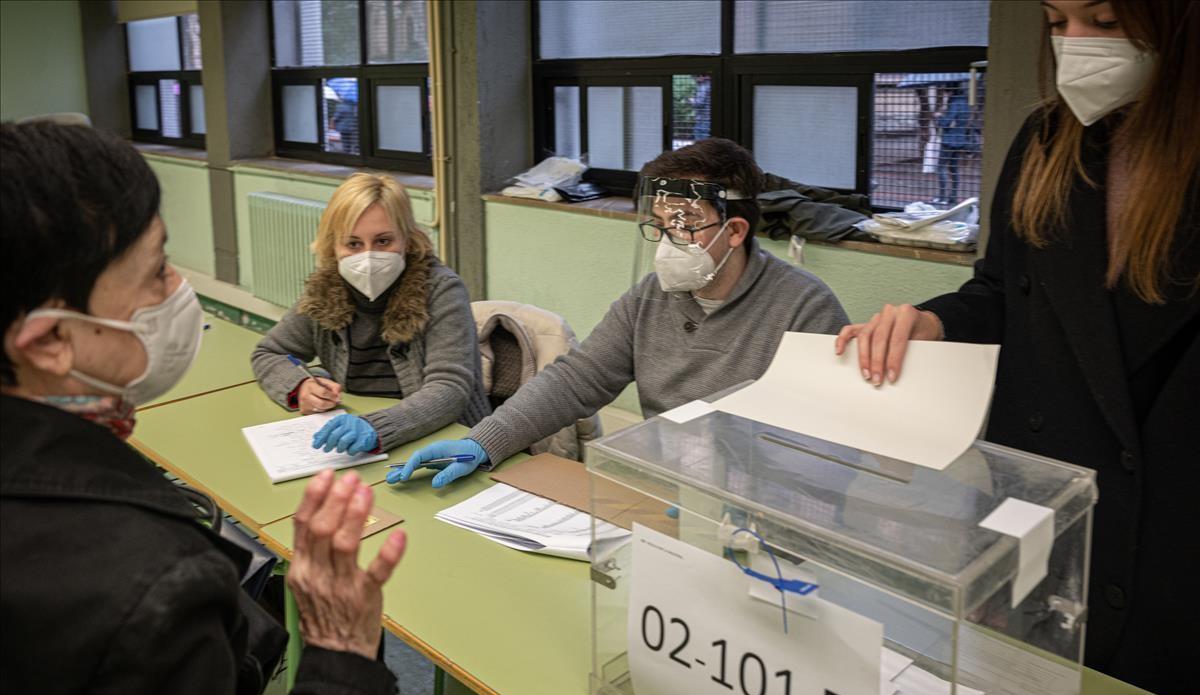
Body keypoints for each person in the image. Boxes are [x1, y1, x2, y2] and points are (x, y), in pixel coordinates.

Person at [835, 0, 1198, 695]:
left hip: (1171, 539)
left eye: (1103, 20)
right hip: (1045, 503)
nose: (1076, 47)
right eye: (1059, 23)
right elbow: (1000, 292)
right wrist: (930, 322)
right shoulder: (1046, 140)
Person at [0, 121, 406, 695]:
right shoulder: (153, 587)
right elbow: (275, 351)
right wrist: (340, 660)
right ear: (52, 339)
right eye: (158, 269)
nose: (180, 291)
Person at [389, 138, 850, 488]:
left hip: (752, 511)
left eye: (685, 225)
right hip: (660, 486)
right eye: (661, 224)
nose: (669, 241)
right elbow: (577, 379)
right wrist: (483, 441)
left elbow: (817, 453)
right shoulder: (651, 297)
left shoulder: (804, 309)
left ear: (734, 231)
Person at [252, 173, 490, 456]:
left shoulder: (440, 289)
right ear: (333, 246)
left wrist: (377, 427)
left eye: (383, 241)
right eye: (353, 244)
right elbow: (268, 353)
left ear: (407, 239)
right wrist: (299, 386)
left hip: (443, 438)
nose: (368, 256)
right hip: (357, 439)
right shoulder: (325, 288)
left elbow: (450, 390)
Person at [934, 82, 972, 205]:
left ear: (951, 91)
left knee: (941, 168)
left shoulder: (954, 103)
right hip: (960, 139)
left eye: (946, 91)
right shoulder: (966, 103)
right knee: (954, 169)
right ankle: (953, 197)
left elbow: (946, 122)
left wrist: (939, 117)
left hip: (949, 140)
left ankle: (942, 198)